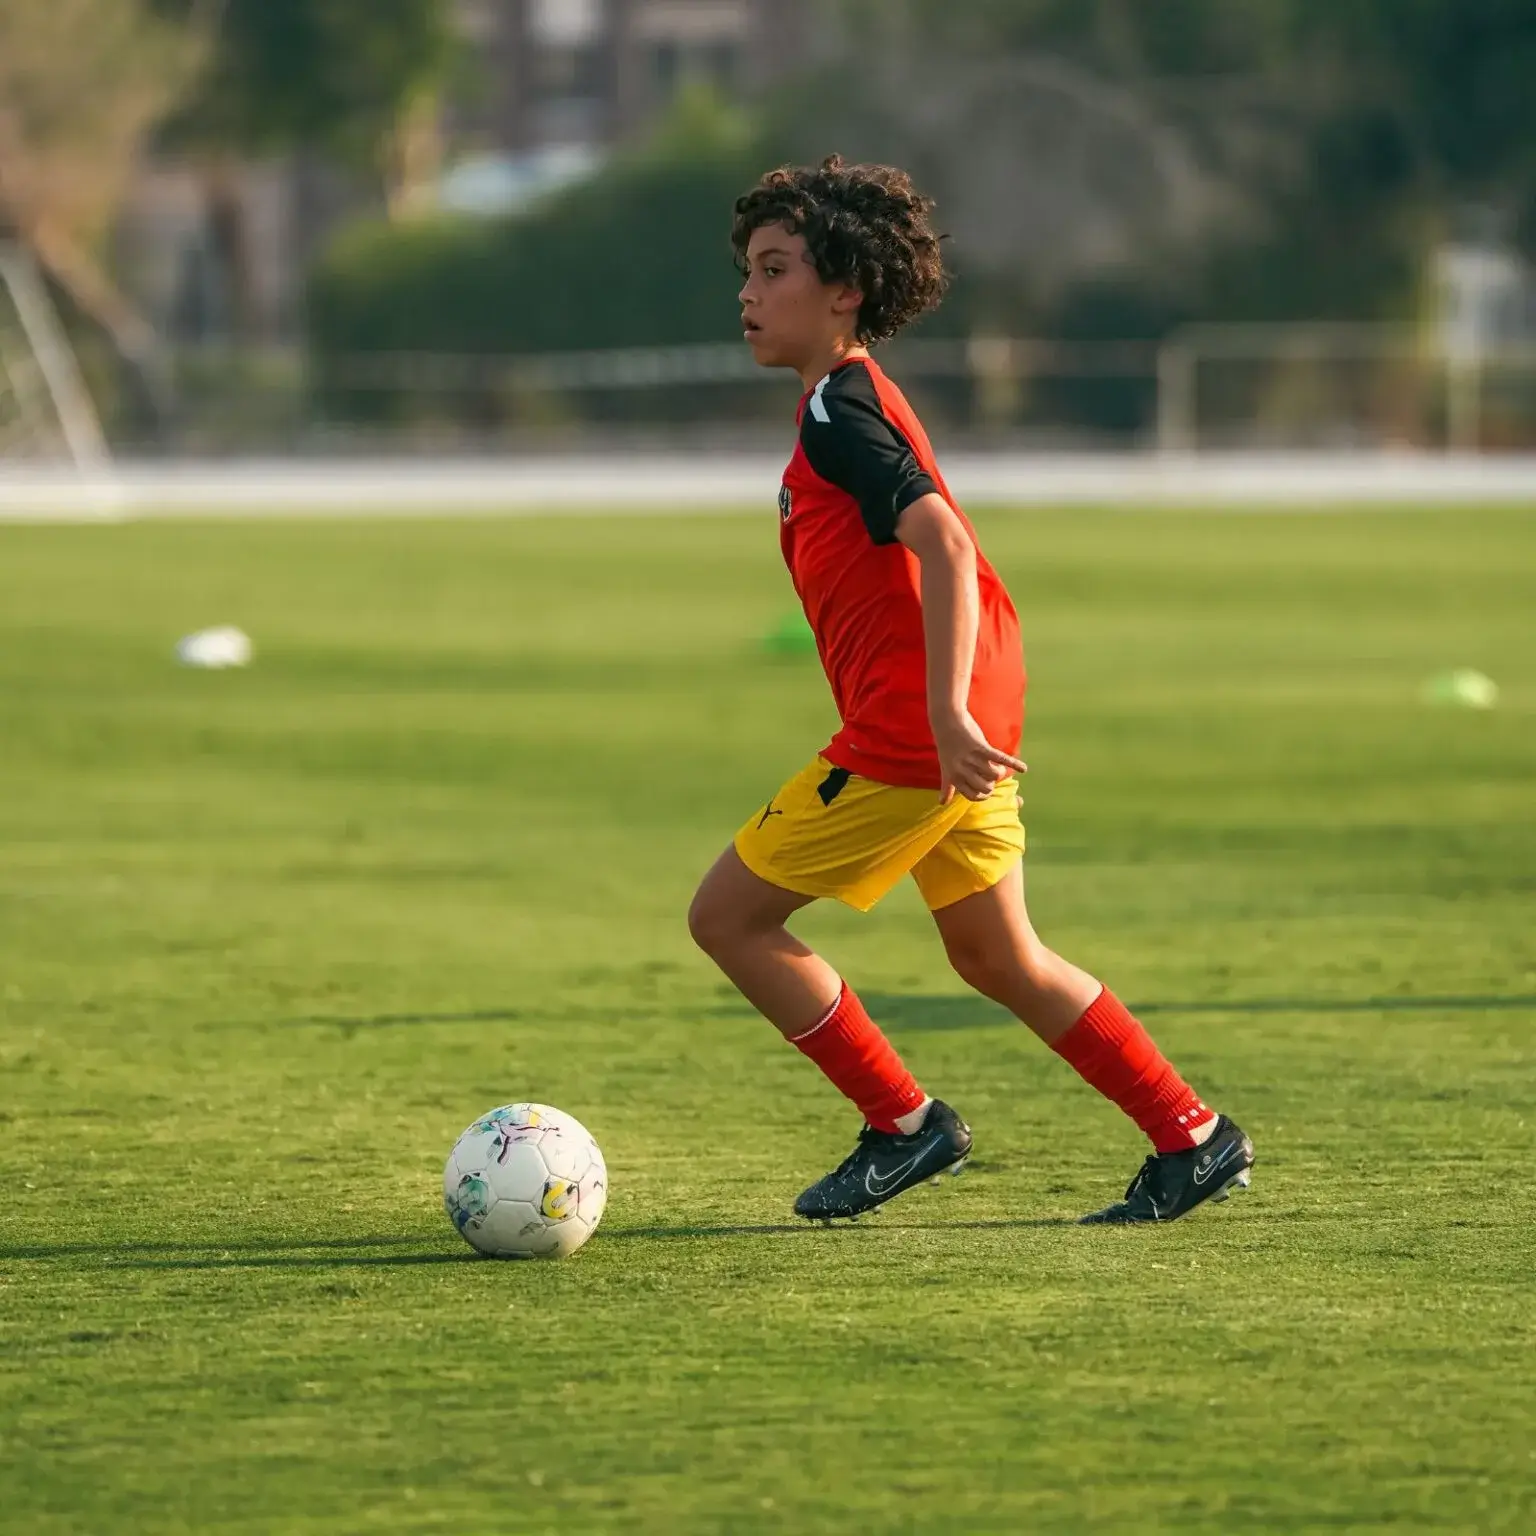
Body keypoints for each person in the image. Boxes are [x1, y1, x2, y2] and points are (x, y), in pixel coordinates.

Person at [687, 155, 1254, 1224]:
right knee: (998, 954)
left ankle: (904, 1126)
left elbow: (943, 545)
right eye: (748, 272)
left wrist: (941, 716)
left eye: (774, 270)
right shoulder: (848, 398)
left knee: (728, 919)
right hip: (971, 712)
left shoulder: (836, 413)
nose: (749, 295)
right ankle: (1193, 1134)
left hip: (922, 729)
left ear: (844, 288)